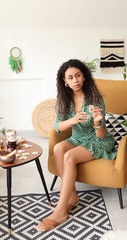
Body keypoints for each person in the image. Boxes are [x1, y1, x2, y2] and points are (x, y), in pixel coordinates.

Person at [36, 59, 117, 232]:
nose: (75, 80)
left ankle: (60, 211)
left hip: (99, 140)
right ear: (64, 81)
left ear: (84, 76)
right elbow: (57, 127)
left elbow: (101, 134)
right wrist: (72, 120)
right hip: (78, 138)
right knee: (58, 148)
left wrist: (97, 123)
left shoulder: (95, 98)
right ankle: (72, 196)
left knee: (69, 156)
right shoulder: (64, 99)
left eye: (78, 75)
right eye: (70, 77)